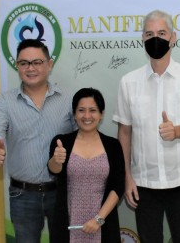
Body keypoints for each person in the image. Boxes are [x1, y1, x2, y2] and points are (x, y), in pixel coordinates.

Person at [113, 9, 180, 243]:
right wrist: (127, 177)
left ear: (173, 37)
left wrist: (176, 131)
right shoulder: (128, 82)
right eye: (149, 34)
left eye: (161, 33)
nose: (155, 39)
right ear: (142, 39)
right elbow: (124, 133)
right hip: (144, 184)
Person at [0, 39, 76, 242]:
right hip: (22, 194)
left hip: (61, 192)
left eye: (37, 62)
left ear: (49, 65)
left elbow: (85, 138)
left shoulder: (69, 98)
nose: (30, 68)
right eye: (24, 63)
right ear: (17, 66)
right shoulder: (5, 100)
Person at [48, 87, 125, 243]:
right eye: (81, 110)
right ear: (75, 114)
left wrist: (98, 219)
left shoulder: (113, 145)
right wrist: (56, 160)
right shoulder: (62, 142)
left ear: (101, 114)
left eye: (93, 110)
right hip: (68, 225)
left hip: (103, 223)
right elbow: (54, 170)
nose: (87, 116)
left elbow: (118, 186)